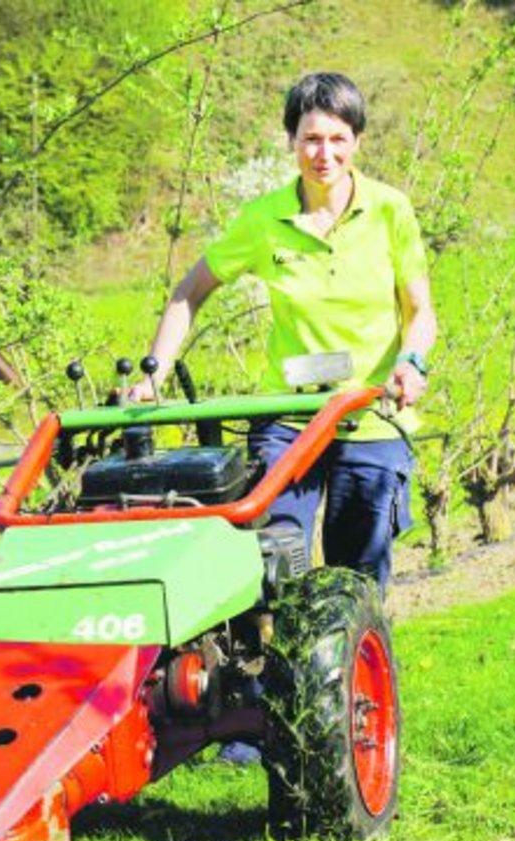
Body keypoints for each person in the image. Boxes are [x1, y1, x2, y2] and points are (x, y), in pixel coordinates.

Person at [133, 72, 437, 596]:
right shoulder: (263, 219)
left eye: (338, 139)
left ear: (357, 141)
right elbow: (189, 292)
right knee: (275, 566)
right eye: (312, 138)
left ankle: (350, 675)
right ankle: (268, 675)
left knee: (356, 584)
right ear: (291, 140)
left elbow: (420, 310)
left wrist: (411, 361)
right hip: (288, 420)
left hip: (372, 416)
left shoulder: (391, 210)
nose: (325, 153)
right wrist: (153, 374)